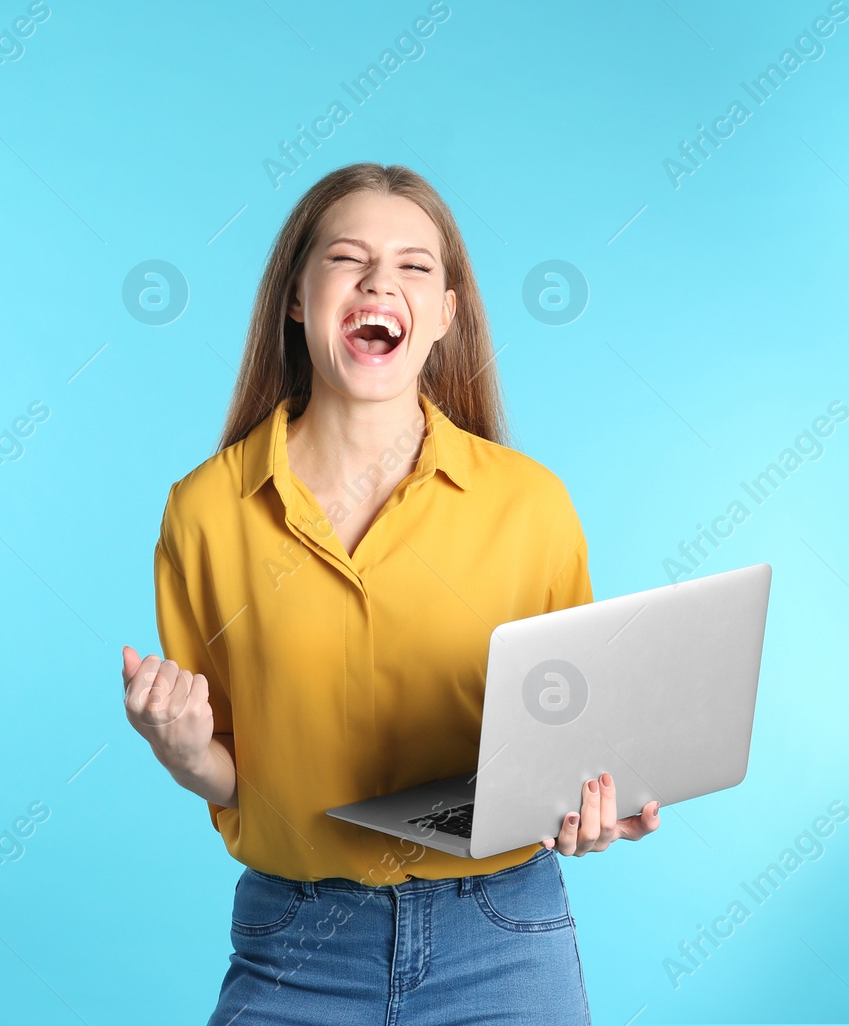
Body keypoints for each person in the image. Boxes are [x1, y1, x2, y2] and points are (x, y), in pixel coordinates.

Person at [121, 162, 662, 1024]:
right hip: (296, 943)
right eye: (348, 259)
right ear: (297, 299)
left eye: (415, 266)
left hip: (501, 938)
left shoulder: (530, 505)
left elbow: (570, 746)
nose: (381, 281)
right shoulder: (204, 513)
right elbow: (231, 771)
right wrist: (184, 751)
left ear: (446, 313)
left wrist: (592, 807)